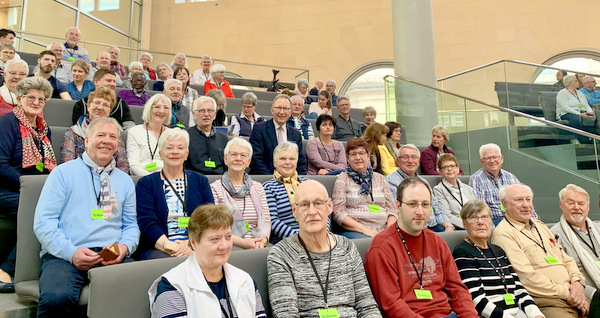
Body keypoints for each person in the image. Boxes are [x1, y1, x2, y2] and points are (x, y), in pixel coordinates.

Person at [34, 117, 139, 316]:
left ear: (117, 143)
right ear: (87, 141)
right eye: (100, 135)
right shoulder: (62, 174)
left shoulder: (125, 181)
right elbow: (43, 222)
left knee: (137, 290)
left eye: (112, 137)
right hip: (64, 254)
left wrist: (124, 247)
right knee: (56, 299)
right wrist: (70, 252)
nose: (107, 141)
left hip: (111, 255)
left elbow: (131, 225)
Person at [364, 177, 479, 318]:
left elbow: (457, 290)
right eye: (412, 204)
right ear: (398, 206)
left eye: (425, 205)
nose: (420, 211)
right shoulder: (381, 248)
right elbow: (391, 305)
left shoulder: (437, 242)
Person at [267, 180, 382, 317]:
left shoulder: (347, 247)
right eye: (304, 205)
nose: (312, 211)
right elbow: (286, 314)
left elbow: (367, 306)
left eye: (318, 203)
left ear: (329, 206)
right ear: (294, 211)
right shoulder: (281, 255)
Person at [148, 204, 267, 317]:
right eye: (215, 239)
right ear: (194, 242)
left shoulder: (245, 281)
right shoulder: (173, 286)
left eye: (228, 237)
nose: (224, 246)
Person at [492, 184, 589, 317]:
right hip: (547, 302)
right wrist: (569, 292)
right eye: (519, 200)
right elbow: (526, 277)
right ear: (505, 204)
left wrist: (578, 283)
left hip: (574, 295)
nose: (526, 205)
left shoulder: (540, 226)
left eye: (528, 199)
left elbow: (567, 259)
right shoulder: (503, 234)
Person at [0, 77, 56, 293]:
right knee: (39, 213)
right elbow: (1, 164)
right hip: (8, 188)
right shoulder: (8, 123)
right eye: (31, 97)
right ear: (19, 98)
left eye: (41, 99)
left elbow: (43, 165)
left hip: (34, 189)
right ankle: (6, 268)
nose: (36, 102)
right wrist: (26, 186)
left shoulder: (43, 129)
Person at [452, 200, 545, 318]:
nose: (481, 222)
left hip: (518, 313)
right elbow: (476, 299)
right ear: (464, 223)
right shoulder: (463, 252)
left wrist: (536, 314)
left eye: (485, 217)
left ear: (491, 221)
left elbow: (518, 289)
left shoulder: (498, 250)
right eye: (474, 218)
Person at [136, 128, 214, 260]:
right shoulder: (146, 183)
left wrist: (191, 244)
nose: (175, 152)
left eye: (180, 148)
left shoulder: (200, 181)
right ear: (160, 154)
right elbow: (147, 221)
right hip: (159, 246)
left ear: (187, 153)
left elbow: (208, 218)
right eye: (169, 148)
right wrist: (169, 246)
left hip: (195, 243)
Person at [210, 138, 271, 249]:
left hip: (258, 242)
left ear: (248, 162)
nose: (238, 158)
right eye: (233, 155)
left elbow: (266, 220)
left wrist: (262, 240)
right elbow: (216, 226)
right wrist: (244, 243)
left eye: (243, 155)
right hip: (227, 243)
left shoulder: (258, 187)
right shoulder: (215, 188)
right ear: (225, 159)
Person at [332, 138, 396, 238]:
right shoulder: (343, 179)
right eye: (353, 154)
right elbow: (338, 213)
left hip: (383, 229)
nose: (358, 157)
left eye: (361, 153)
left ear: (368, 156)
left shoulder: (380, 178)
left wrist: (389, 231)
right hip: (357, 231)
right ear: (348, 158)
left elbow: (392, 210)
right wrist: (365, 230)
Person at [386, 144, 455, 232]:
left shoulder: (424, 182)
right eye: (405, 157)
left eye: (414, 157)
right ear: (397, 161)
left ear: (418, 161)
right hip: (412, 228)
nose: (410, 161)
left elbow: (437, 209)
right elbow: (397, 211)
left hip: (434, 226)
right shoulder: (390, 181)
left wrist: (448, 225)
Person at [62, 87, 129, 172]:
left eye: (105, 105)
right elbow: (67, 163)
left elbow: (123, 165)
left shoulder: (114, 134)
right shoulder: (73, 132)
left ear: (110, 111)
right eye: (97, 103)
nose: (100, 107)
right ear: (88, 106)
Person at [551, 184, 600, 299]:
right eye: (571, 203)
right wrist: (593, 295)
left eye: (581, 203)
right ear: (561, 205)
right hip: (589, 295)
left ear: (588, 207)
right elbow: (562, 275)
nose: (577, 207)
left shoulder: (597, 229)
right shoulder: (554, 236)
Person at [469, 143, 534, 226]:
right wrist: (491, 229)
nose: (492, 161)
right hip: (495, 220)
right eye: (488, 158)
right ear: (482, 161)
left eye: (495, 157)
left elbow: (525, 199)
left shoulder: (511, 177)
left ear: (501, 159)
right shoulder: (476, 179)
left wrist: (534, 221)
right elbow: (480, 208)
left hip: (515, 217)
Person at [263, 142, 309, 243]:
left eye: (292, 159)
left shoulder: (307, 184)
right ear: (274, 162)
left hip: (314, 234)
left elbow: (323, 213)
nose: (287, 162)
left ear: (297, 162)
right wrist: (298, 237)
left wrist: (320, 233)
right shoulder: (268, 187)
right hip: (285, 239)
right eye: (282, 159)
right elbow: (272, 220)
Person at [249, 94, 307, 175]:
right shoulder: (259, 129)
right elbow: (256, 160)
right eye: (279, 108)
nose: (282, 112)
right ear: (272, 110)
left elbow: (301, 163)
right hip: (266, 179)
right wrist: (275, 179)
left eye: (286, 109)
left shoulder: (296, 135)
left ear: (290, 112)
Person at [71, 69, 135, 130]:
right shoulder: (81, 104)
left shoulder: (121, 104)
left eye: (114, 81)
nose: (113, 84)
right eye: (108, 81)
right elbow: (78, 129)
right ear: (96, 82)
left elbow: (130, 126)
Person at [126, 94, 172, 176]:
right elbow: (133, 165)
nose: (161, 111)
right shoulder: (134, 132)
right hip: (142, 178)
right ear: (149, 109)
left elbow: (174, 164)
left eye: (166, 108)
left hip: (167, 178)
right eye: (157, 107)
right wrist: (151, 178)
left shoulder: (172, 135)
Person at [185, 96, 229, 175]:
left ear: (215, 115)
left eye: (210, 111)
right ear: (194, 115)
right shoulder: (186, 136)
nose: (206, 114)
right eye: (202, 111)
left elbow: (227, 166)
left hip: (219, 181)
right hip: (194, 180)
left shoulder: (224, 139)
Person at [433, 153, 476, 229]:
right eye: (445, 167)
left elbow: (479, 208)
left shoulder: (468, 188)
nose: (449, 169)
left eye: (452, 166)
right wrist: (468, 225)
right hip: (459, 226)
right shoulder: (438, 190)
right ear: (440, 171)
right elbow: (447, 215)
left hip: (475, 223)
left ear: (458, 168)